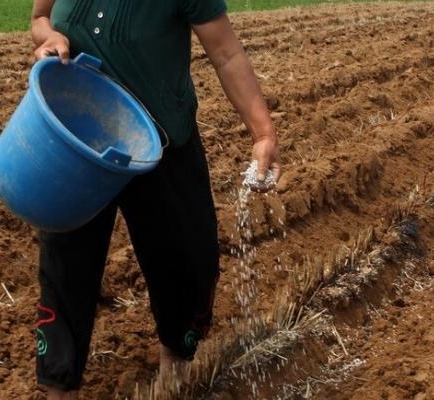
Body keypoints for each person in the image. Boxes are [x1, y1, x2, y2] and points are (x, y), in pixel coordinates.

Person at [30, 1, 281, 399]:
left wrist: (263, 133)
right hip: (76, 140)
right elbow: (39, 18)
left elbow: (226, 53)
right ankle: (61, 387)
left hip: (161, 141)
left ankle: (175, 367)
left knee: (186, 260)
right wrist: (50, 37)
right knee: (66, 269)